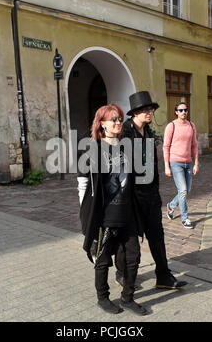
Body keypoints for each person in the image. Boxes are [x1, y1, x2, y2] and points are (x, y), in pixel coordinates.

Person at [77, 104, 148, 315]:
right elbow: (83, 184)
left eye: (119, 119)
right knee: (102, 259)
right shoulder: (91, 149)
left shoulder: (127, 147)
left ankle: (127, 298)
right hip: (104, 215)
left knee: (133, 256)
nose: (118, 122)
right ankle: (103, 297)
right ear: (102, 124)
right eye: (113, 119)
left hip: (127, 213)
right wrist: (86, 216)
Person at [115, 91, 187, 289]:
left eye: (151, 109)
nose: (150, 113)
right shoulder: (124, 133)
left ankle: (163, 275)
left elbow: (151, 166)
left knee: (157, 235)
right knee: (129, 238)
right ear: (135, 112)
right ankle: (122, 272)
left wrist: (155, 192)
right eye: (146, 110)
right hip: (130, 196)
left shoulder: (148, 132)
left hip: (150, 195)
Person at [163, 101, 199, 229]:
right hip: (175, 162)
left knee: (186, 190)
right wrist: (167, 166)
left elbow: (194, 145)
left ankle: (171, 206)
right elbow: (165, 146)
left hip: (188, 163)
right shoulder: (171, 126)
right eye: (181, 110)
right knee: (183, 190)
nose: (184, 112)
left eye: (186, 109)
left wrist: (196, 163)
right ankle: (185, 218)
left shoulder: (191, 125)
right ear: (176, 112)